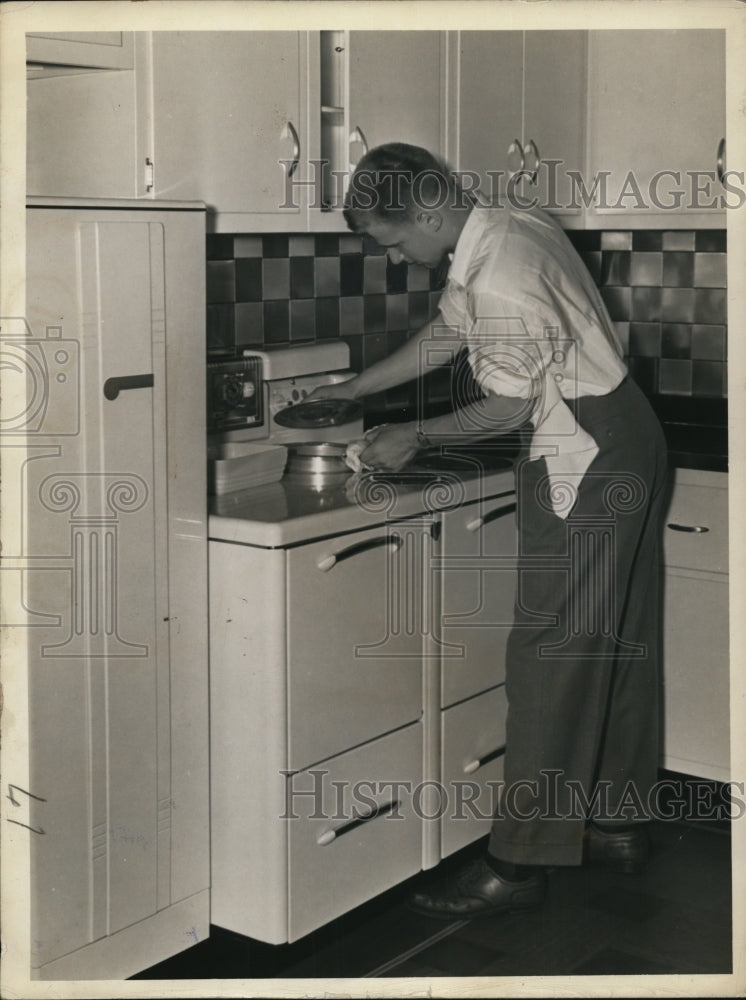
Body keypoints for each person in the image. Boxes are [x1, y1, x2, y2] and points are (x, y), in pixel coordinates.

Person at [311, 143, 669, 918]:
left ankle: (517, 863)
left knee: (551, 652)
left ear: (431, 211)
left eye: (395, 240)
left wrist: (412, 436)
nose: (398, 257)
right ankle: (615, 822)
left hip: (586, 452)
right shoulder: (502, 226)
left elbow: (505, 408)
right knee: (617, 642)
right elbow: (451, 329)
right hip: (627, 431)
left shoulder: (501, 271)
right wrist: (356, 388)